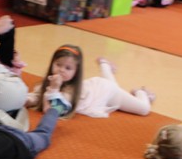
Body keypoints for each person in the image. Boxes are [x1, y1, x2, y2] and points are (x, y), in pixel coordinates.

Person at [26, 47, 155, 119]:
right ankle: (105, 65)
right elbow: (37, 96)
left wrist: (54, 88)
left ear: (76, 72)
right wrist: (25, 99)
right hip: (97, 85)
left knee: (144, 109)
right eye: (58, 65)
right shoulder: (49, 81)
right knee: (110, 83)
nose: (61, 70)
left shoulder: (72, 92)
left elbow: (53, 110)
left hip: (106, 92)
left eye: (68, 68)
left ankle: (142, 92)